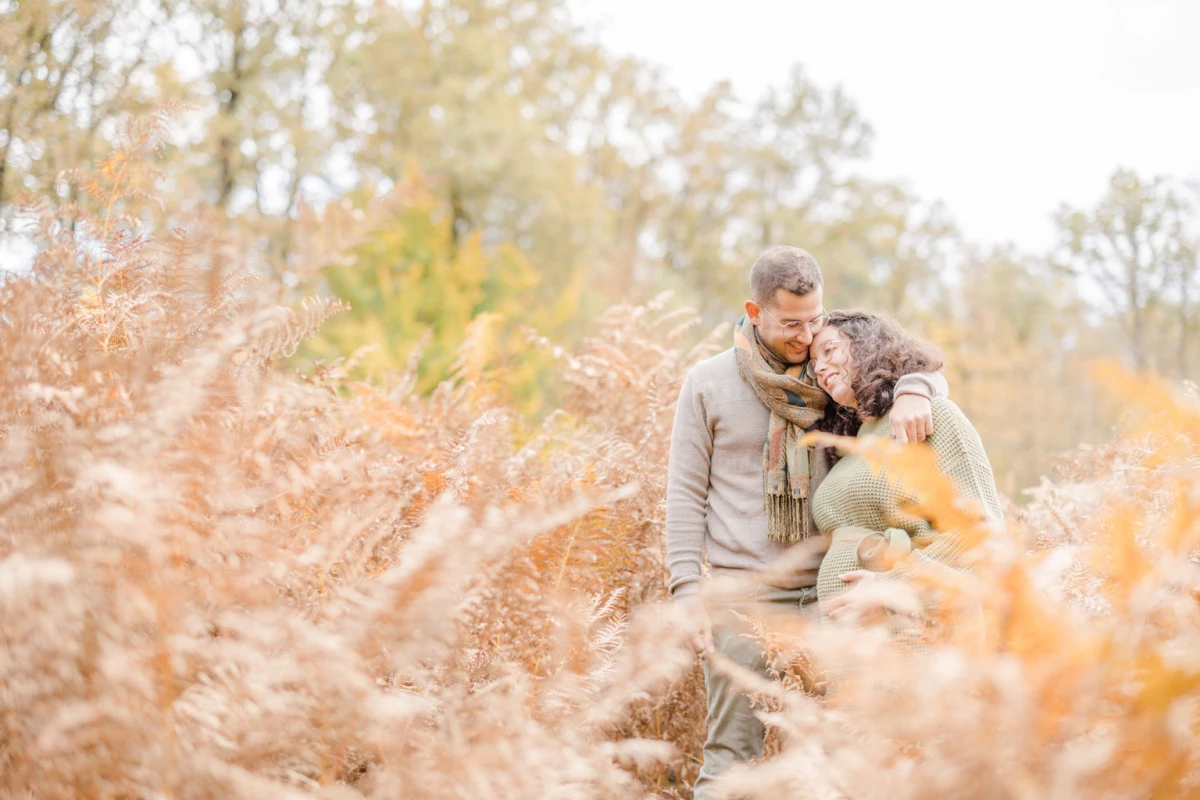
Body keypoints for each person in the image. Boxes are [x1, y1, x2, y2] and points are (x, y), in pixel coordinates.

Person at [665, 247, 947, 799]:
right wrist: (685, 590)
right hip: (740, 602)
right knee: (730, 761)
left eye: (815, 318)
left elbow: (910, 371)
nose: (806, 334)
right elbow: (684, 494)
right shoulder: (708, 383)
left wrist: (917, 388)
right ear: (754, 311)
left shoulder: (834, 372)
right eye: (791, 323)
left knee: (847, 752)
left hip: (832, 595)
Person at [807, 310, 1004, 633]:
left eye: (829, 351)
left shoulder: (931, 415)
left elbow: (982, 540)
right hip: (852, 643)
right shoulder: (852, 444)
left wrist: (893, 589)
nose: (821, 368)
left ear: (866, 345)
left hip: (917, 630)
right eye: (814, 365)